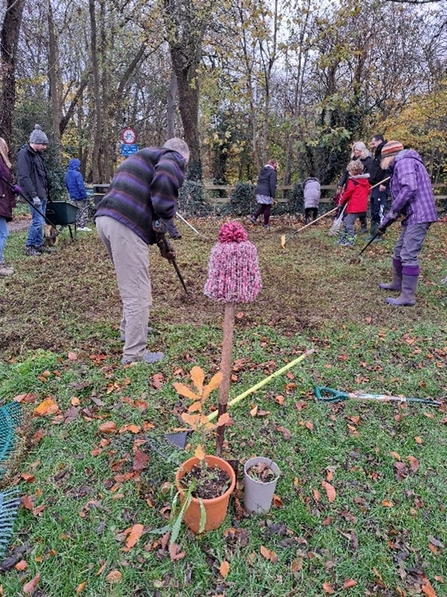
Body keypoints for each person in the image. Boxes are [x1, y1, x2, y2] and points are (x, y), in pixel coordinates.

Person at [95, 138, 189, 365]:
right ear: (182, 157)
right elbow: (164, 185)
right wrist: (168, 218)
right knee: (138, 292)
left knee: (131, 284)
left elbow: (148, 209)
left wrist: (163, 243)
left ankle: (129, 331)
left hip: (106, 220)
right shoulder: (171, 158)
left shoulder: (143, 157)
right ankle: (134, 354)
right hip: (126, 224)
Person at [377, 141, 438, 306]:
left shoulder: (403, 162)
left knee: (408, 254)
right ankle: (397, 283)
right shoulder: (404, 162)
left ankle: (408, 297)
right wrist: (387, 221)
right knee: (399, 251)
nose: (381, 163)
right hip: (413, 214)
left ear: (388, 156)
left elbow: (409, 188)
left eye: (381, 158)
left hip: (420, 213)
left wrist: (392, 213)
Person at [17, 124, 52, 256]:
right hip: (33, 194)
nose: (45, 147)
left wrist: (44, 193)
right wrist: (33, 195)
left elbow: (42, 176)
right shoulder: (24, 154)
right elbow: (24, 177)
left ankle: (38, 244)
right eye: (43, 144)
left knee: (41, 221)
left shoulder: (37, 155)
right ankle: (30, 246)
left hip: (40, 193)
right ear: (36, 142)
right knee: (37, 221)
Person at [337, 142, 373, 234]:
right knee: (349, 207)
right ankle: (345, 225)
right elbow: (346, 173)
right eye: (355, 150)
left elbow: (370, 175)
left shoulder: (368, 161)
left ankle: (362, 226)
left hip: (360, 187)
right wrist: (341, 184)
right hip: (351, 184)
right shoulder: (353, 160)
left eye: (358, 150)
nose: (356, 152)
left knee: (359, 208)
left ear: (362, 151)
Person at [337, 160, 370, 247]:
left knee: (348, 223)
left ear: (354, 171)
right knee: (345, 221)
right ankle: (342, 238)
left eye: (350, 171)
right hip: (361, 207)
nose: (349, 173)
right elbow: (368, 191)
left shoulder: (353, 181)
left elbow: (347, 193)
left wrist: (341, 202)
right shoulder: (365, 181)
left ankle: (351, 240)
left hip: (353, 206)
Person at [0, 138, 21, 275]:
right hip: (0, 201)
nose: (8, 148)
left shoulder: (3, 162)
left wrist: (12, 188)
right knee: (3, 234)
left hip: (3, 199)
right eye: (5, 145)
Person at [368, 134, 389, 240]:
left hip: (381, 186)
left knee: (379, 209)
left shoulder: (385, 152)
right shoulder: (377, 153)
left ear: (379, 141)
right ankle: (372, 233)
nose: (373, 145)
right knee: (374, 209)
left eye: (374, 143)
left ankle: (378, 234)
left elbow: (388, 169)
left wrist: (384, 184)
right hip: (374, 186)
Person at [250, 159, 278, 229]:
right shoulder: (272, 172)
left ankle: (254, 217)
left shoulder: (262, 171)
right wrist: (273, 196)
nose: (277, 167)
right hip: (266, 191)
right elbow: (272, 185)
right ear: (273, 164)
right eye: (276, 165)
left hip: (259, 191)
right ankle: (266, 224)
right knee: (267, 207)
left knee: (263, 206)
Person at [65, 158, 91, 232]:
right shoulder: (78, 174)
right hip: (80, 196)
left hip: (72, 196)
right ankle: (82, 226)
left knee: (76, 211)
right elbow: (81, 186)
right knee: (83, 210)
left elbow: (66, 185)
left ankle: (76, 225)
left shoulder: (67, 174)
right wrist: (84, 195)